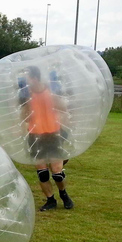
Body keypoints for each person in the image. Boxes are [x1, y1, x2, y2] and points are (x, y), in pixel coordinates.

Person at [20, 65, 74, 211]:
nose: (26, 80)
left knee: (57, 173)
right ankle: (51, 200)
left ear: (35, 78)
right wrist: (27, 114)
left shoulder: (50, 92)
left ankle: (64, 194)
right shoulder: (27, 95)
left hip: (53, 134)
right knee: (43, 174)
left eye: (28, 77)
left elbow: (65, 110)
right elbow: (23, 116)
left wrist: (64, 132)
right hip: (35, 136)